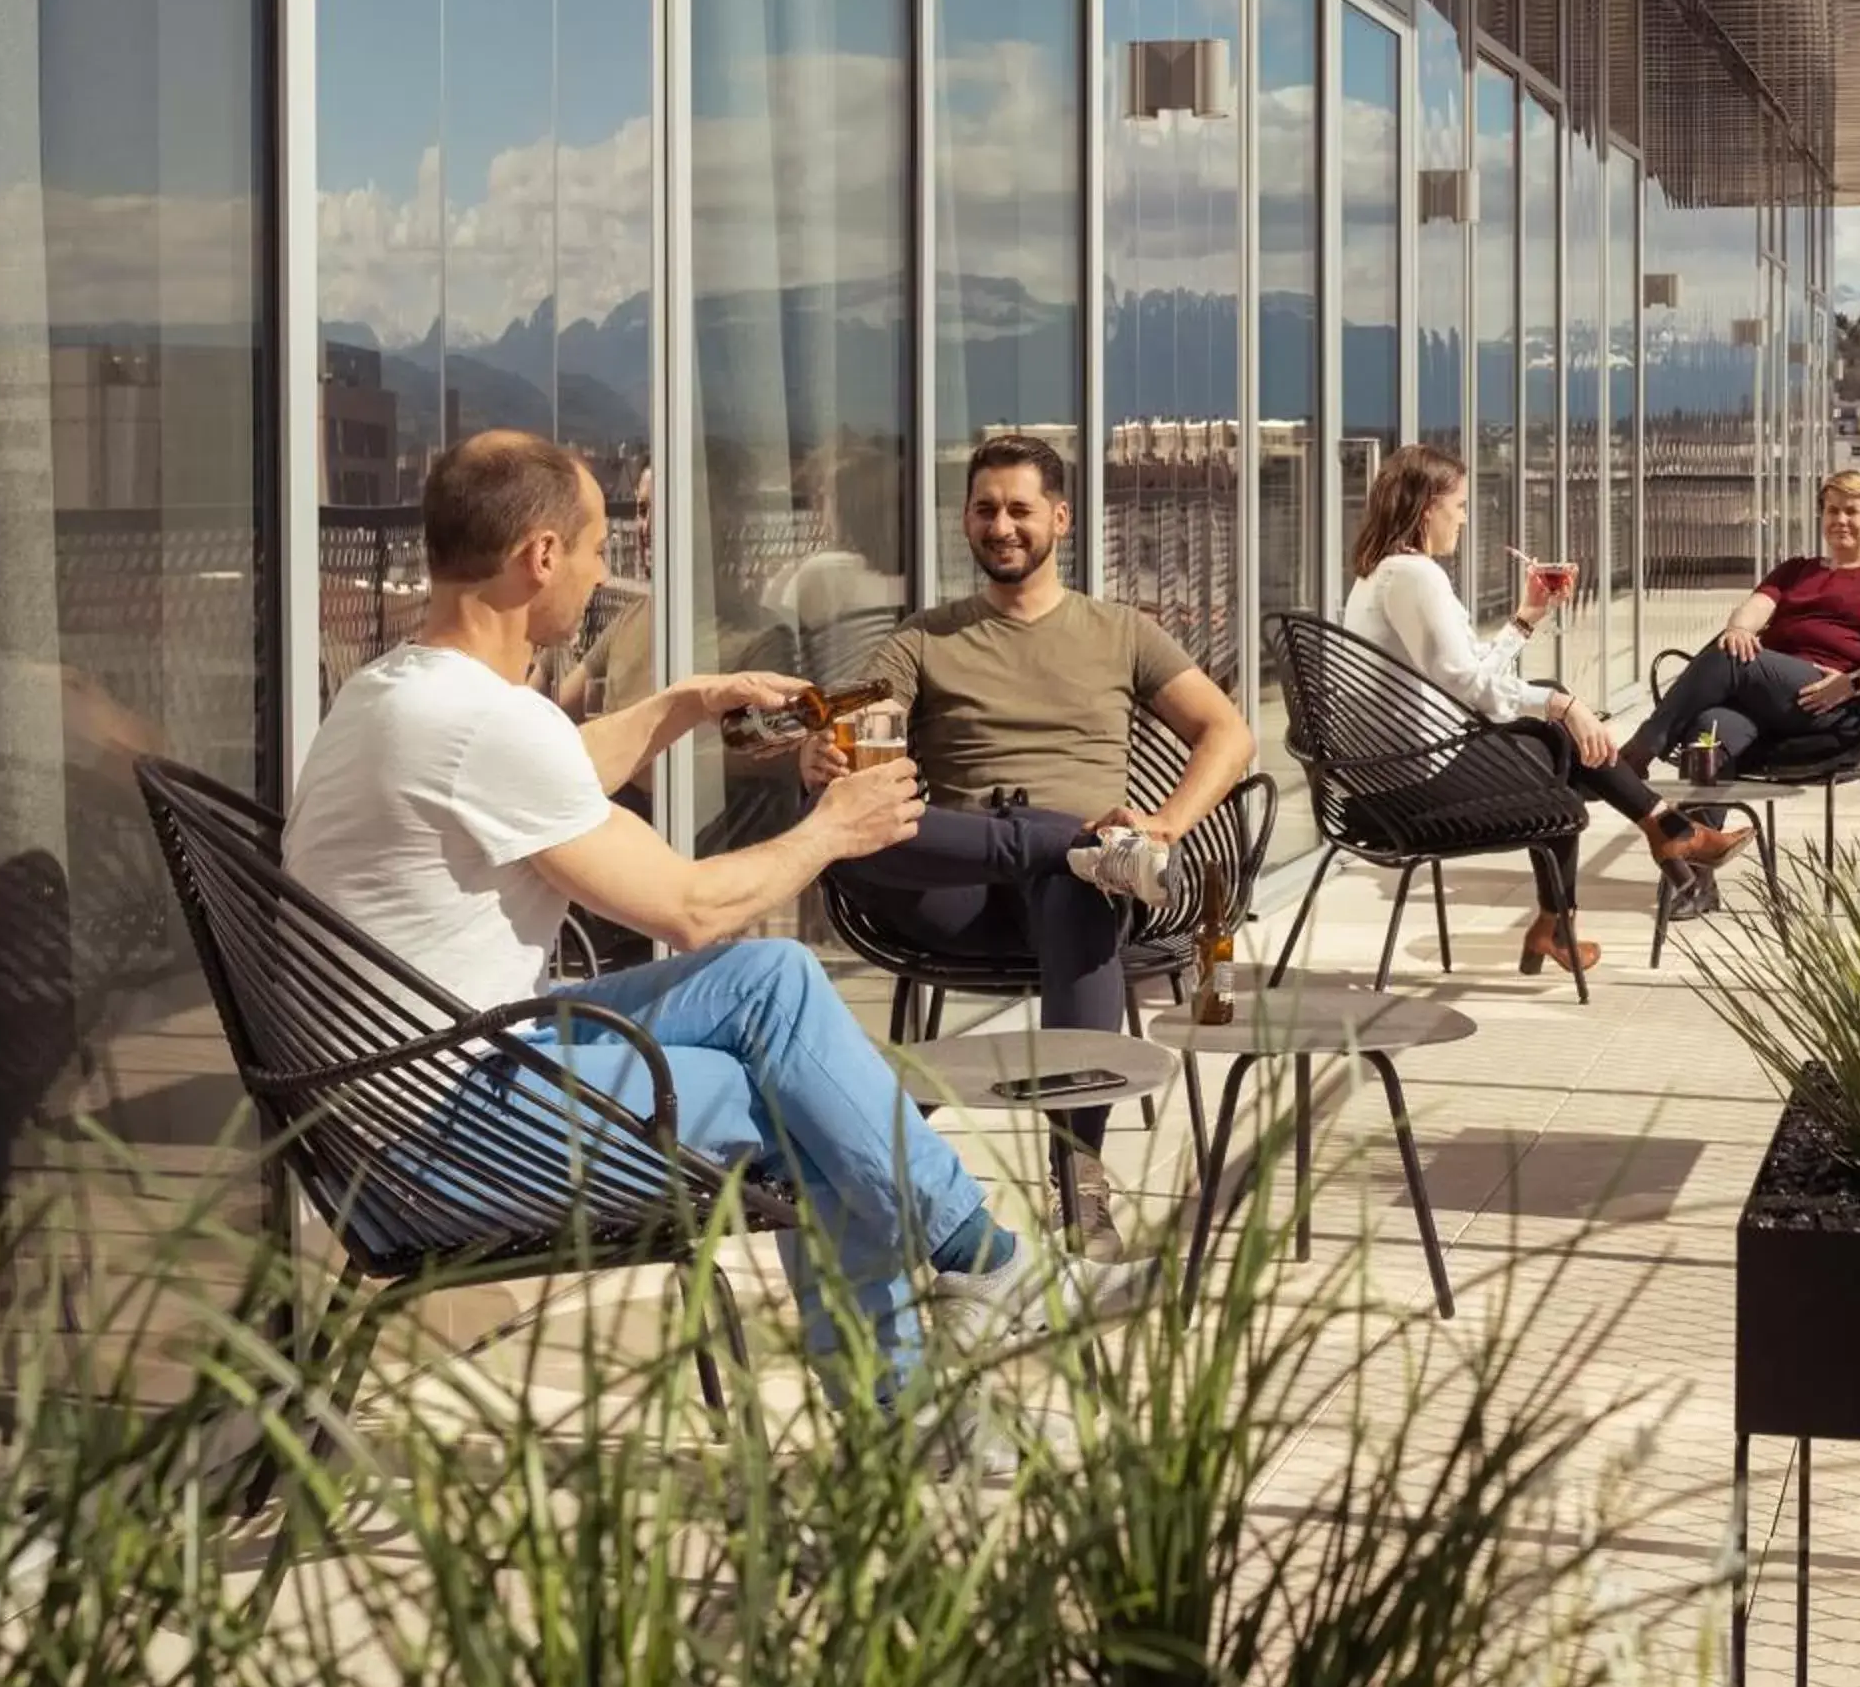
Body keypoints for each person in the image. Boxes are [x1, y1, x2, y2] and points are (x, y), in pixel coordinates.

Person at [284, 430, 1146, 1393]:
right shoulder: (484, 722)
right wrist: (832, 830)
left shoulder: (392, 691)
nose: (605, 574)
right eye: (599, 548)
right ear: (539, 558)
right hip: (442, 1141)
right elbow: (690, 908)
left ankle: (972, 1286)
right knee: (806, 1102)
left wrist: (692, 701)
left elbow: (550, 768)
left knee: (773, 981)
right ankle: (957, 1323)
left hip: (405, 1092)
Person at [801, 434, 1257, 1260]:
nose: (1001, 525)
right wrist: (823, 752)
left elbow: (1229, 733)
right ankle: (1052, 845)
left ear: (1060, 518)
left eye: (1018, 509)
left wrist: (1163, 826)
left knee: (1076, 887)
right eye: (984, 509)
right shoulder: (923, 640)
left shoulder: (1121, 632)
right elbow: (849, 731)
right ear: (965, 521)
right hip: (955, 889)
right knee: (863, 830)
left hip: (1083, 899)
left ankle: (1079, 1177)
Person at [1340, 446, 1751, 976]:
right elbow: (1467, 686)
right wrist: (1564, 705)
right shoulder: (1415, 576)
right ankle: (1654, 840)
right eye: (1460, 506)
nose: (1465, 519)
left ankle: (1649, 843)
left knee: (1563, 746)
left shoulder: (1383, 574)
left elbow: (1466, 676)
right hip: (1409, 787)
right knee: (1562, 751)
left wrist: (1526, 618)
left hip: (1383, 776)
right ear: (1427, 508)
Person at [1625, 470, 1860, 776]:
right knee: (1709, 732)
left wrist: (1853, 683)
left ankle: (1638, 752)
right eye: (1832, 510)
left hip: (1831, 700)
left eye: (1851, 511)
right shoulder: (1796, 570)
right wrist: (1740, 629)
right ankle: (1697, 826)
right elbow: (1756, 607)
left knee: (1730, 658)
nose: (1840, 520)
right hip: (1770, 695)